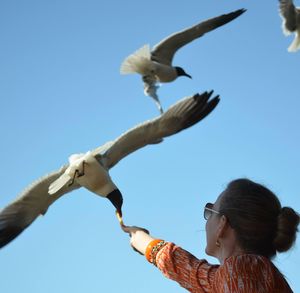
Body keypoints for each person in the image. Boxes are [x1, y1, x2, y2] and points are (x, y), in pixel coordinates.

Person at [122, 178, 299, 292]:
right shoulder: (237, 274)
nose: (207, 221)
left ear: (222, 224)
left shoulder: (241, 270)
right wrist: (145, 243)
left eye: (210, 211)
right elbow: (189, 270)